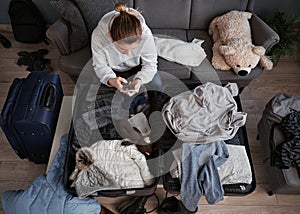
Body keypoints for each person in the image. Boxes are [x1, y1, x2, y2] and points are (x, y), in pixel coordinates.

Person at [91, 1, 163, 97]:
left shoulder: (145, 33)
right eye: (123, 49)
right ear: (111, 37)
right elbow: (100, 66)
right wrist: (111, 80)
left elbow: (150, 65)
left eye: (134, 48)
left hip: (137, 67)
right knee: (96, 92)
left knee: (157, 84)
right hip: (112, 68)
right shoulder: (99, 35)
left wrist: (139, 80)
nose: (128, 54)